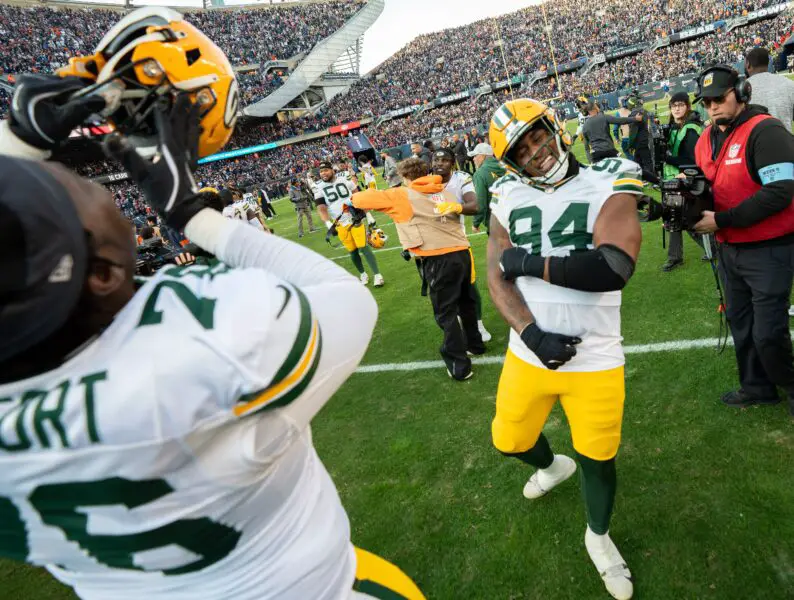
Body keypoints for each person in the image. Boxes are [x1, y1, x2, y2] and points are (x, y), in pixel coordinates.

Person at [0, 17, 424, 600]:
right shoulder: (204, 345)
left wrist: (16, 143)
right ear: (103, 275)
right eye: (68, 187)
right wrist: (192, 215)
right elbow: (346, 301)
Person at [487, 98, 643, 599]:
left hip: (594, 356)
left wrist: (528, 262)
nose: (535, 150)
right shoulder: (505, 195)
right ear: (509, 161)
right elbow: (496, 276)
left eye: (536, 135)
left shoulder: (610, 176)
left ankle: (598, 537)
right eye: (521, 147)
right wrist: (531, 334)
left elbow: (611, 267)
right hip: (526, 354)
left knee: (599, 455)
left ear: (555, 127)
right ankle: (553, 467)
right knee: (509, 440)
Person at [692, 64, 794, 413]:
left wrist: (721, 220)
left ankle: (791, 385)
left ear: (741, 93)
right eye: (706, 102)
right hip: (729, 251)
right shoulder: (706, 138)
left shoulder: (767, 131)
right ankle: (757, 387)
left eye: (718, 99)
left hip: (769, 249)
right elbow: (707, 187)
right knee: (741, 323)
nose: (712, 107)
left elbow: (781, 191)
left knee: (767, 333)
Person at [349, 157, 486, 380]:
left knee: (446, 312)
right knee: (466, 302)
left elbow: (360, 199)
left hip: (437, 257)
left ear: (405, 177)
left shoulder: (402, 194)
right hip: (461, 251)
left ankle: (459, 366)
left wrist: (354, 191)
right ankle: (475, 344)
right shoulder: (444, 191)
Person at [432, 147, 492, 342]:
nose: (439, 163)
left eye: (444, 160)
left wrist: (456, 207)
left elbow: (475, 206)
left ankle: (478, 323)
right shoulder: (425, 181)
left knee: (469, 287)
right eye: (436, 160)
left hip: (457, 243)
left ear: (452, 163)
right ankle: (457, 325)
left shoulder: (461, 178)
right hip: (432, 246)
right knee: (444, 291)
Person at [315, 161, 384, 287]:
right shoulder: (318, 187)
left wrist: (368, 215)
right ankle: (362, 274)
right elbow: (321, 208)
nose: (323, 173)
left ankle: (377, 275)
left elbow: (358, 196)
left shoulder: (344, 178)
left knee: (363, 246)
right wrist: (328, 224)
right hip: (339, 223)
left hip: (354, 217)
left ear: (332, 170)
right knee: (352, 250)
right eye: (321, 171)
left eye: (325, 170)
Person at [660, 91, 707, 271]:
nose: (677, 109)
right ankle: (675, 256)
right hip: (674, 179)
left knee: (686, 218)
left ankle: (713, 247)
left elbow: (692, 160)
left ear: (687, 106)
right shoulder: (674, 128)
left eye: (680, 105)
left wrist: (668, 158)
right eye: (674, 106)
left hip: (688, 178)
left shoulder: (691, 128)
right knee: (674, 217)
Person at [576, 96, 641, 164]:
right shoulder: (603, 117)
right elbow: (620, 120)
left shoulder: (585, 126)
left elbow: (587, 146)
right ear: (595, 108)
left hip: (596, 154)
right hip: (609, 150)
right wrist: (635, 118)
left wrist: (591, 162)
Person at [744, 47, 794, 133]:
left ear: (748, 64)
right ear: (767, 63)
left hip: (753, 144)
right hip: (785, 143)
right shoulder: (789, 84)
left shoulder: (741, 88)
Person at [470, 142, 505, 235]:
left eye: (475, 156)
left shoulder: (480, 174)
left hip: (496, 223)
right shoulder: (506, 166)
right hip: (515, 217)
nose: (473, 159)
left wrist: (475, 223)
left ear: (482, 156)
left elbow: (481, 203)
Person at [626, 92, 658, 184]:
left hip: (640, 141)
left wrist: (630, 145)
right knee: (637, 160)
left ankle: (651, 179)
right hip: (646, 139)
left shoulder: (633, 115)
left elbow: (633, 133)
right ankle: (640, 178)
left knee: (646, 161)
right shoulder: (644, 111)